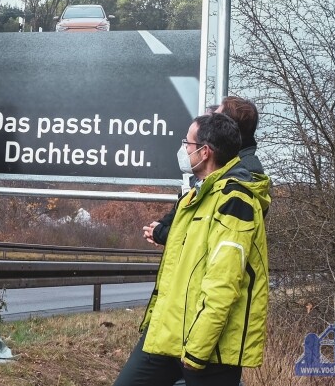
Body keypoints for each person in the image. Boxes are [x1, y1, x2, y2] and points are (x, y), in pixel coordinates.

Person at [114, 113, 271, 386]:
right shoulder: (196, 195)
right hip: (167, 334)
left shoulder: (235, 200)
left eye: (187, 143)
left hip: (208, 350)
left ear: (205, 151)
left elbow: (223, 283)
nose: (183, 149)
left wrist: (197, 351)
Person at [143, 97, 264, 246]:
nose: (210, 121)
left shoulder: (240, 182)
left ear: (227, 127)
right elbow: (188, 208)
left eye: (216, 118)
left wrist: (164, 233)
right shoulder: (217, 171)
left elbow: (208, 236)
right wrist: (162, 226)